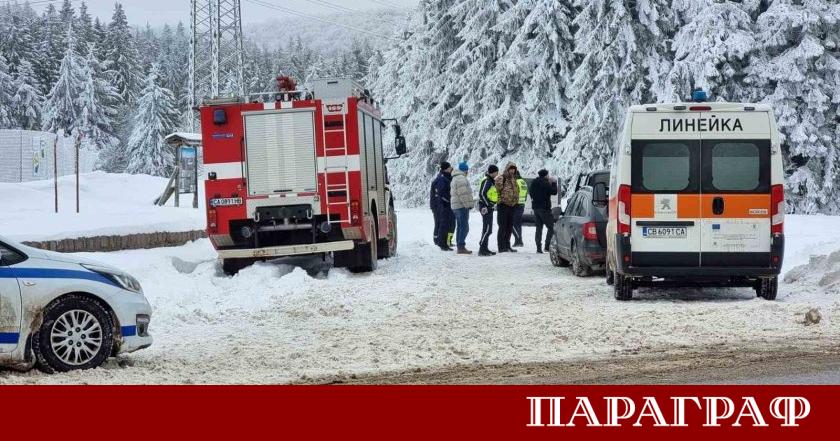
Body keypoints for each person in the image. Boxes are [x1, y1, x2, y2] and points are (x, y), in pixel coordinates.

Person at [528, 169, 558, 254]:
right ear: (545, 175)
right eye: (548, 175)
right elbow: (554, 192)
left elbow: (530, 192)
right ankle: (547, 246)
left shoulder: (534, 182)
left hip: (536, 208)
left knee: (539, 228)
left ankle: (538, 248)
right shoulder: (545, 183)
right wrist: (554, 182)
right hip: (544, 209)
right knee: (551, 227)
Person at [450, 161, 474, 254]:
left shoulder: (455, 177)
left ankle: (460, 246)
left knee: (460, 226)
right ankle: (461, 246)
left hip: (456, 206)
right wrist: (467, 205)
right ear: (465, 170)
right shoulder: (461, 179)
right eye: (467, 170)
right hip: (461, 206)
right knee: (464, 227)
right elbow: (462, 194)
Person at [495, 162, 519, 253]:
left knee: (509, 227)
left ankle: (507, 245)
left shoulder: (514, 179)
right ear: (507, 169)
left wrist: (516, 202)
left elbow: (516, 191)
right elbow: (496, 191)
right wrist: (499, 201)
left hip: (512, 206)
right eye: (511, 169)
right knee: (502, 227)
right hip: (503, 206)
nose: (512, 171)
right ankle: (501, 247)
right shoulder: (501, 178)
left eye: (514, 169)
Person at [431, 161, 455, 251]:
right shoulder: (441, 179)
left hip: (443, 205)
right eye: (450, 167)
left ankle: (444, 242)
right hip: (441, 205)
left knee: (447, 223)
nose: (451, 168)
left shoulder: (446, 177)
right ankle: (441, 243)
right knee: (443, 224)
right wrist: (448, 201)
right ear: (446, 168)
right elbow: (441, 193)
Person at [477, 164, 499, 256]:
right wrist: (488, 204)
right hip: (485, 207)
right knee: (487, 229)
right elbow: (482, 194)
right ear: (493, 172)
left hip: (488, 207)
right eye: (497, 172)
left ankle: (485, 248)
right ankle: (482, 249)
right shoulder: (487, 181)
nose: (497, 174)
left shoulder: (491, 181)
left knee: (488, 229)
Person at [512, 171, 528, 247]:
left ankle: (518, 240)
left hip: (516, 205)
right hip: (522, 205)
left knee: (513, 224)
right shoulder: (523, 182)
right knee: (518, 224)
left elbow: (513, 194)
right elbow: (526, 195)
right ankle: (519, 240)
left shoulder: (516, 182)